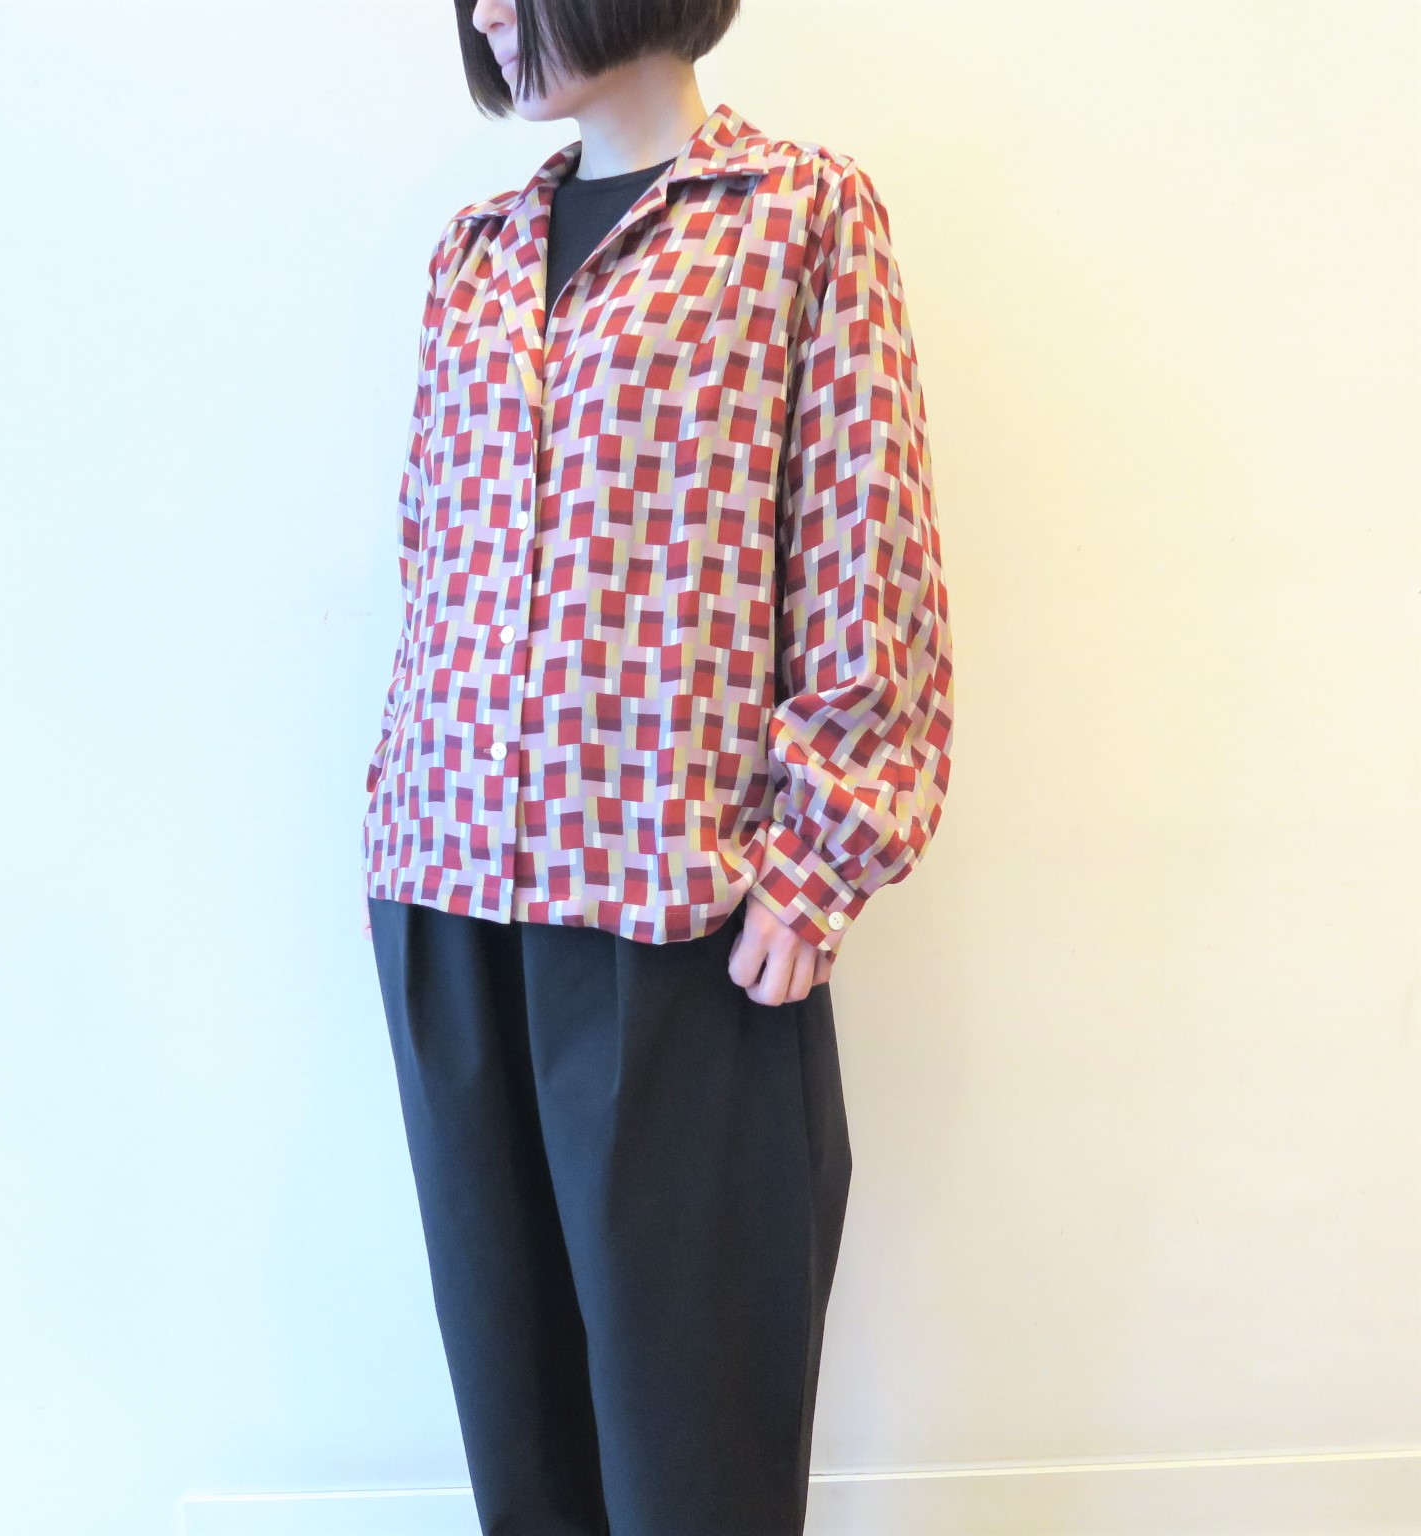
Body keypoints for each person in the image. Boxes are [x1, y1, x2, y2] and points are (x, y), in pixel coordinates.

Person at [361, 1, 954, 1531]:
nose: (486, 11)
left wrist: (819, 860)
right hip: (446, 898)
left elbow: (868, 549)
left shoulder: (800, 216)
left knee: (695, 1464)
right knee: (525, 1447)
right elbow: (432, 557)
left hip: (676, 917)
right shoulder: (473, 255)